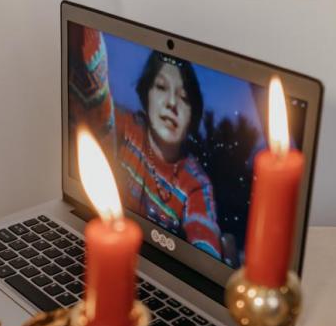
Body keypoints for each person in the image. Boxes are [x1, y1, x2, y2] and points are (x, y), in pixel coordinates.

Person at [69, 24, 223, 258]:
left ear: (194, 115)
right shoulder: (126, 127)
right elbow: (96, 104)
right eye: (161, 87)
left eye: (184, 97)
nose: (172, 103)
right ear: (146, 95)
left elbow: (205, 246)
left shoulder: (196, 183)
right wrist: (86, 39)